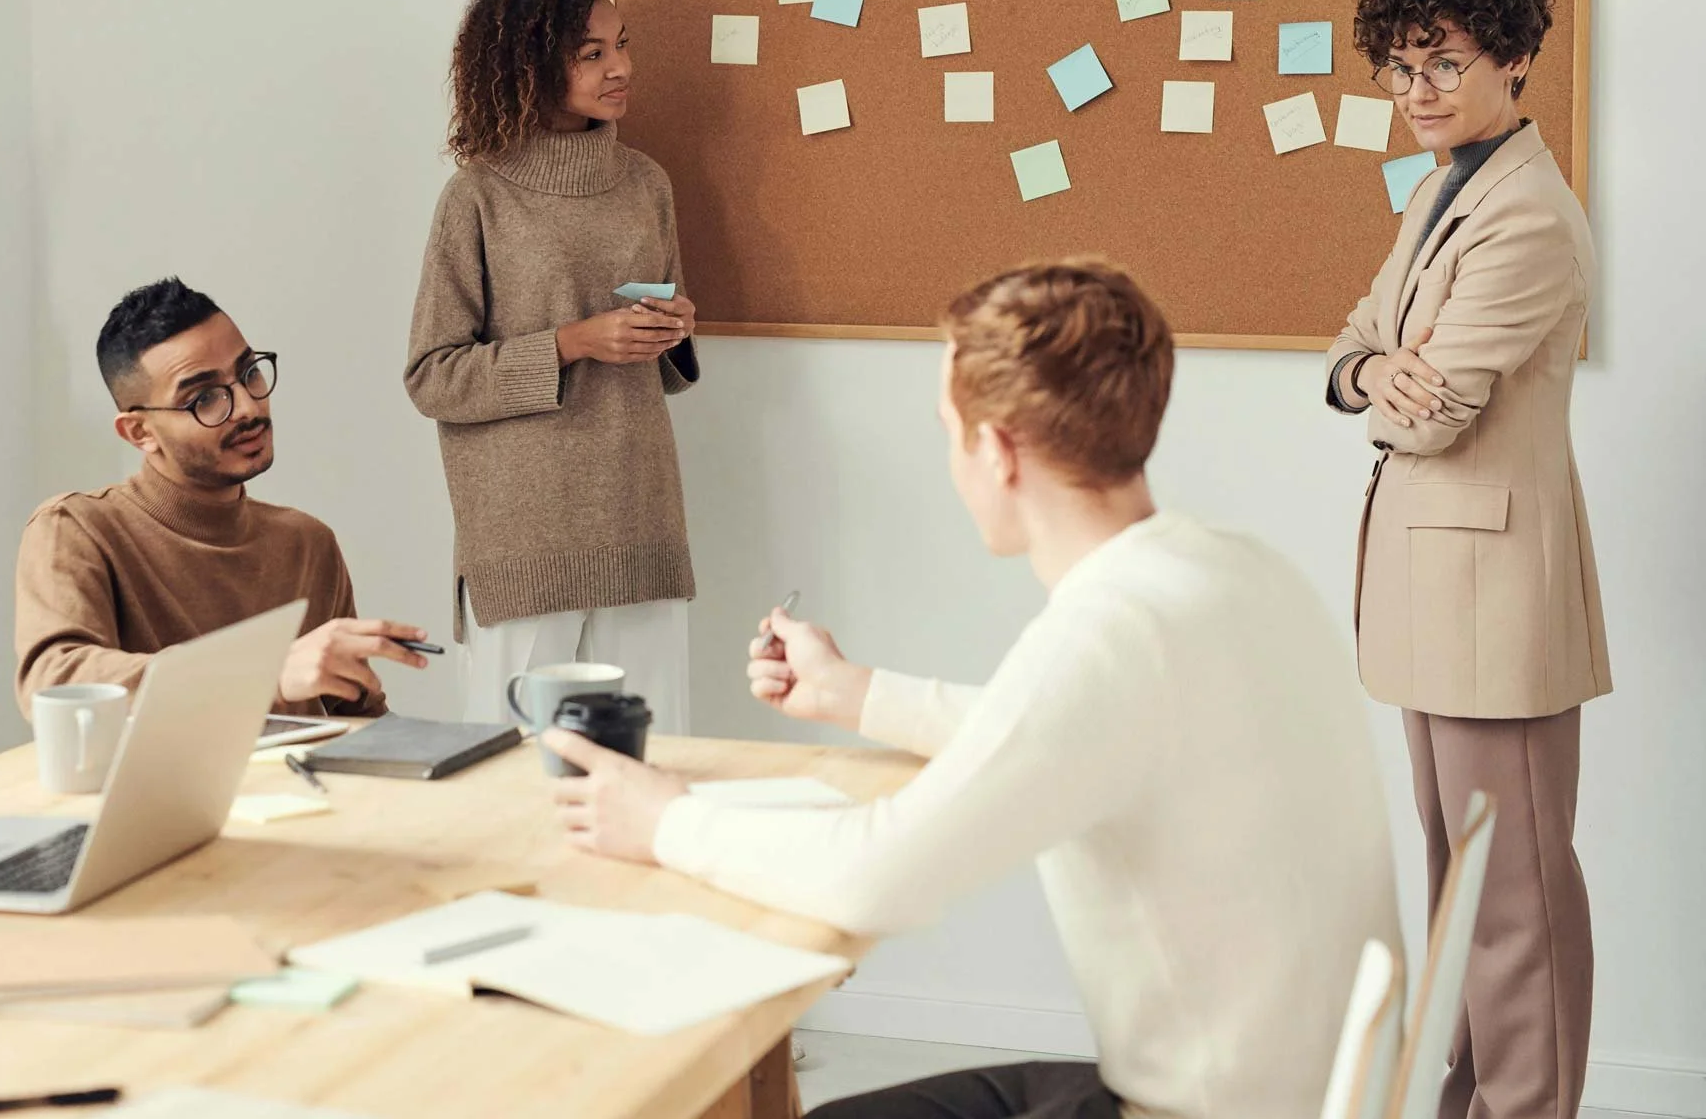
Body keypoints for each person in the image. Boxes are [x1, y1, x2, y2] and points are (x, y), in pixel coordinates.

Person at [545, 258, 1400, 1119]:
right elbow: (1064, 733)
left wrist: (665, 821)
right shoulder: (1230, 569)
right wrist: (855, 693)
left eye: (949, 431)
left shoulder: (1110, 633)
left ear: (995, 450)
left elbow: (875, 875)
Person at [1326, 0, 1608, 1119]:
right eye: (1398, 69)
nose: (1419, 93)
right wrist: (1370, 372)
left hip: (1495, 595)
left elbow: (1434, 415)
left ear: (1518, 56)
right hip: (1436, 594)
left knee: (1516, 907)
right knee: (1466, 890)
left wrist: (1388, 379)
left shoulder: (1528, 215)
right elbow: (1352, 345)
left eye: (1443, 62)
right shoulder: (1446, 188)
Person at [405, 0, 699, 733]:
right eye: (590, 52)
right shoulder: (478, 195)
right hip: (524, 540)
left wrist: (670, 330)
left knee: (655, 759)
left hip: (639, 516)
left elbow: (660, 367)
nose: (622, 66)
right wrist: (573, 342)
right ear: (527, 62)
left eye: (621, 45)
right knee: (515, 771)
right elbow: (434, 377)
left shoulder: (646, 184)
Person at [16, 277, 430, 718]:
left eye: (249, 373)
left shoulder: (308, 543)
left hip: (302, 787)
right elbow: (54, 680)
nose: (249, 407)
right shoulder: (75, 528)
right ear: (140, 432)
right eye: (206, 398)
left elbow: (360, 723)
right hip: (163, 790)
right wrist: (261, 674)